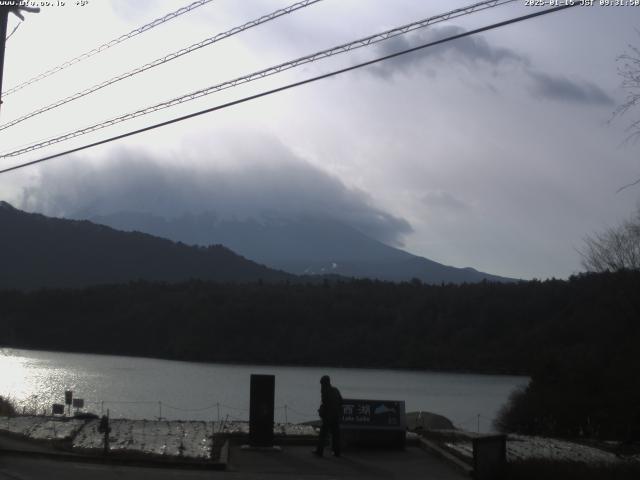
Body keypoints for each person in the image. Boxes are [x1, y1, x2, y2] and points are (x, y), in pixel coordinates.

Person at [313, 375, 342, 457]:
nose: (321, 385)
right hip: (336, 416)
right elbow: (341, 401)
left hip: (328, 417)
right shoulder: (336, 390)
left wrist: (321, 412)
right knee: (336, 435)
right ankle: (337, 452)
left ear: (324, 383)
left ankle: (319, 451)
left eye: (322, 384)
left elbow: (325, 404)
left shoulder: (325, 391)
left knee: (323, 434)